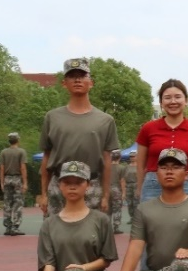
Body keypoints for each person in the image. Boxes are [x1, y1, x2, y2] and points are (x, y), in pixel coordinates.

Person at [39, 58, 120, 216]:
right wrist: (43, 194)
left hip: (92, 186)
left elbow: (107, 160)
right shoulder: (52, 117)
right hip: (59, 185)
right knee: (57, 230)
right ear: (64, 83)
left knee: (92, 231)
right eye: (72, 76)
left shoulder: (105, 120)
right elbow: (46, 157)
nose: (77, 80)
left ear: (91, 83)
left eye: (82, 76)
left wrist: (105, 195)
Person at [136, 79, 188, 204]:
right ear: (161, 102)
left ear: (186, 101)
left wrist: (187, 178)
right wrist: (139, 187)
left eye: (178, 97)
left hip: (185, 185)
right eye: (167, 98)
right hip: (152, 186)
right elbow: (140, 164)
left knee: (187, 216)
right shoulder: (148, 128)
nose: (173, 101)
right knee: (150, 216)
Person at [0, 132, 28, 236]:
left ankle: (8, 226)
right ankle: (15, 226)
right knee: (17, 203)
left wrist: (2, 182)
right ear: (18, 140)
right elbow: (23, 167)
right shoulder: (21, 152)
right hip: (17, 179)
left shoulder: (3, 152)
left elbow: (1, 168)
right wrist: (25, 182)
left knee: (7, 203)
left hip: (7, 178)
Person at [106, 150, 126, 232]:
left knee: (107, 208)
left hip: (107, 189)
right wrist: (123, 193)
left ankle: (107, 226)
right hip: (116, 190)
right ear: (119, 157)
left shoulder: (106, 167)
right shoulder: (122, 168)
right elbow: (122, 181)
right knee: (117, 208)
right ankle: (116, 227)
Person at [124, 151, 139, 221]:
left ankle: (136, 218)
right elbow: (123, 178)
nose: (132, 158)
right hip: (128, 185)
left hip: (136, 184)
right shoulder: (127, 167)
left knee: (136, 202)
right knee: (129, 202)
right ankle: (131, 217)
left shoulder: (139, 166)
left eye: (133, 156)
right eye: (131, 157)